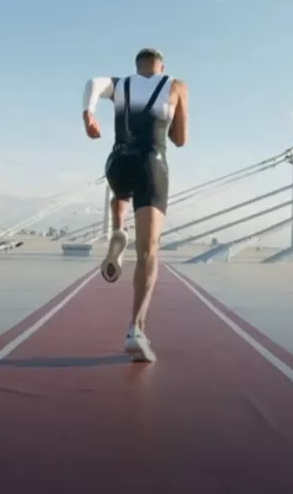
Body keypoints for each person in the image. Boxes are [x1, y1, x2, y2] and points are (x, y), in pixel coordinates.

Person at [81, 47, 188, 363]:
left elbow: (93, 82)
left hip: (116, 163)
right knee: (148, 252)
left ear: (136, 66)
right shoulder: (175, 85)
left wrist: (89, 114)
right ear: (161, 66)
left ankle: (118, 229)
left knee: (121, 193)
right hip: (151, 164)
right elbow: (181, 139)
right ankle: (136, 330)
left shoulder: (120, 84)